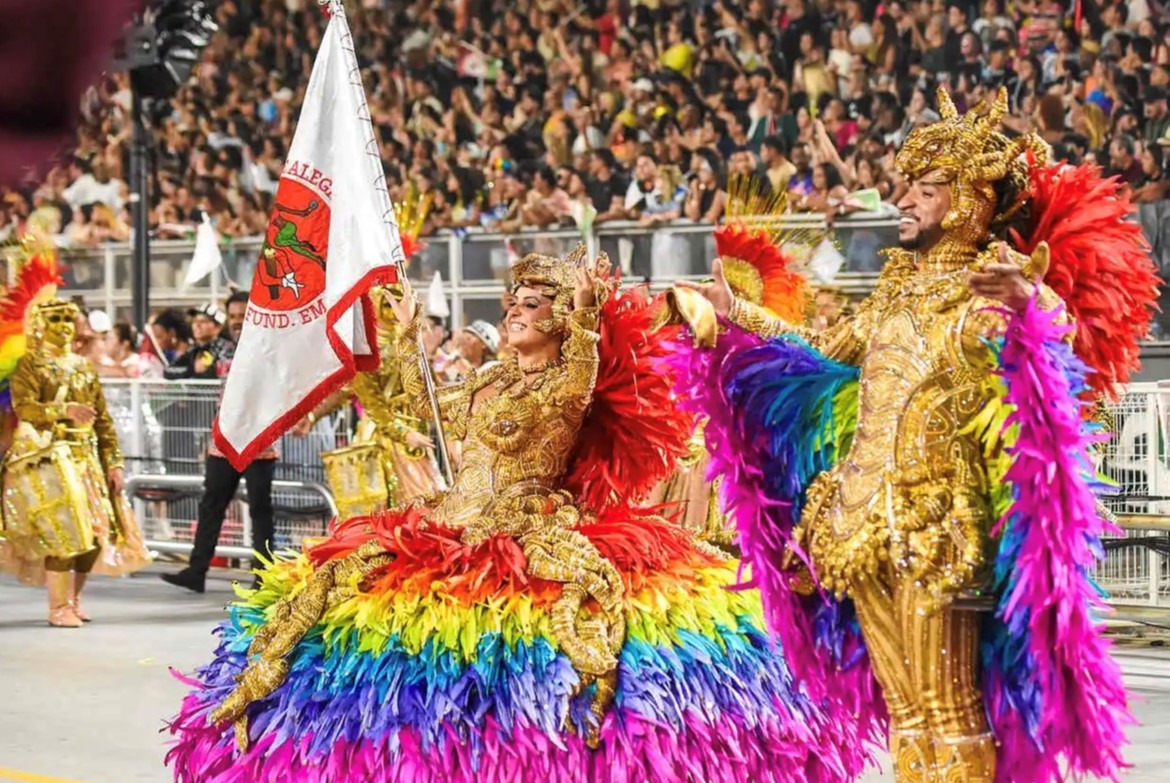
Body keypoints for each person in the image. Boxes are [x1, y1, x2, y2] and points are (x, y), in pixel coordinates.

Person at [167, 247, 876, 782]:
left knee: (571, 645)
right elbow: (422, 406)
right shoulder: (485, 382)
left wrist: (589, 312)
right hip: (445, 526)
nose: (516, 310)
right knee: (327, 598)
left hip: (524, 531)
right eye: (514, 300)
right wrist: (405, 334)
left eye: (534, 304)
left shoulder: (560, 388)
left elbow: (585, 372)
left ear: (560, 322)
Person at [670, 88, 1141, 783]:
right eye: (908, 187)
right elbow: (818, 352)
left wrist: (1028, 301)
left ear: (970, 203)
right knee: (907, 711)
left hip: (938, 526)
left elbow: (1056, 350)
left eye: (925, 189)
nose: (905, 200)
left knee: (949, 709)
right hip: (861, 521)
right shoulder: (892, 295)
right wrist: (739, 313)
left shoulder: (988, 290)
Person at [0, 281, 150, 627]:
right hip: (47, 459)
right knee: (67, 533)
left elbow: (103, 421)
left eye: (68, 319)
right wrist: (63, 410)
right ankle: (57, 607)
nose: (64, 326)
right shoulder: (29, 365)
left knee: (97, 537)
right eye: (55, 320)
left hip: (87, 460)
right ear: (40, 325)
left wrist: (114, 462)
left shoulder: (83, 367)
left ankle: (73, 600)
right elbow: (25, 408)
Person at [160, 295, 277, 595]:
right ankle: (196, 571)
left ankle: (264, 576)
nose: (237, 321)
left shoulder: (270, 345)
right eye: (233, 316)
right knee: (211, 505)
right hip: (224, 439)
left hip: (260, 439)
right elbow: (176, 371)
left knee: (260, 509)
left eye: (242, 314)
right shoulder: (220, 348)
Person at [164, 304, 234, 380]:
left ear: (218, 327)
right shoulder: (194, 349)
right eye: (194, 321)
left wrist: (208, 370)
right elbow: (168, 370)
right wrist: (191, 370)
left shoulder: (227, 348)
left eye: (203, 321)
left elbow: (227, 374)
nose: (197, 325)